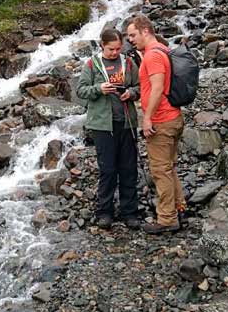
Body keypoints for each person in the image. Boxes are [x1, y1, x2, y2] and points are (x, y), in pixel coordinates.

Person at [75, 28, 143, 230]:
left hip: (126, 123)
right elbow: (80, 90)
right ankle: (104, 212)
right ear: (102, 46)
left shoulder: (128, 63)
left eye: (118, 49)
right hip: (102, 125)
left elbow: (140, 87)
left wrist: (131, 93)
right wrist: (98, 89)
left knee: (129, 169)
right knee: (108, 169)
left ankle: (129, 212)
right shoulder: (91, 64)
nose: (115, 53)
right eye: (111, 49)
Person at [125, 14, 185, 233]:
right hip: (173, 117)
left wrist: (147, 117)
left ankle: (167, 218)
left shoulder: (152, 56)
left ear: (145, 31)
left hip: (162, 120)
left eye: (133, 35)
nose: (130, 40)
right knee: (169, 167)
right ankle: (179, 208)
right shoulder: (163, 50)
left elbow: (158, 87)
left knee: (160, 170)